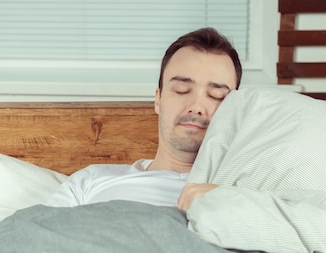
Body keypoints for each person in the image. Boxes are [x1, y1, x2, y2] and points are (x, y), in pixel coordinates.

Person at [46, 27, 242, 212]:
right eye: (182, 90)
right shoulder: (90, 181)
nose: (197, 107)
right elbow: (35, 239)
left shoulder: (246, 196)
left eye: (217, 95)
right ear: (158, 99)